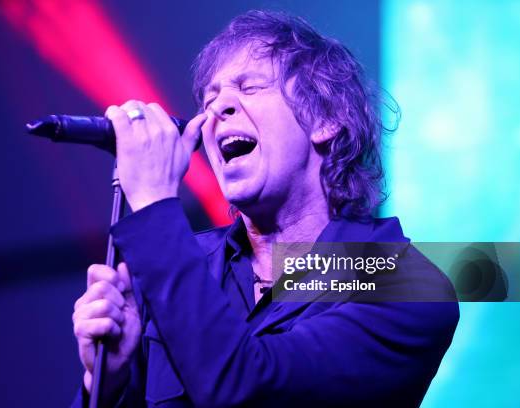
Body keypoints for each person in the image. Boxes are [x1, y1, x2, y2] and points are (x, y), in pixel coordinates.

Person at [71, 10, 459, 407]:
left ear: (324, 119)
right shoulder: (184, 266)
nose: (219, 107)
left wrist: (155, 203)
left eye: (250, 87)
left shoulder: (407, 286)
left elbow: (250, 386)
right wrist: (107, 383)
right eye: (210, 98)